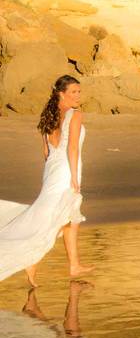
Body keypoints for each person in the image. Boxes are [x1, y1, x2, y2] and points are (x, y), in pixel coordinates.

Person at [0, 74, 94, 286]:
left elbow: (46, 152)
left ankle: (72, 264)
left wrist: (52, 174)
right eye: (73, 92)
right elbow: (71, 148)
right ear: (61, 93)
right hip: (66, 169)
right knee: (57, 218)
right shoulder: (75, 115)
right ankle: (33, 258)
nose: (78, 96)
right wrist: (74, 178)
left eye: (79, 91)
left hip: (52, 168)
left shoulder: (47, 114)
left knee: (68, 216)